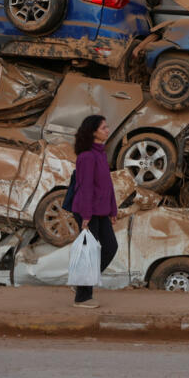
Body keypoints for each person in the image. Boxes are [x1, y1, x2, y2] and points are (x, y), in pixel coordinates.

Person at [70, 115, 119, 308]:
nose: (107, 130)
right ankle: (82, 297)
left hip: (101, 211)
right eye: (104, 128)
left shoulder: (101, 154)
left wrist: (112, 209)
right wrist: (86, 216)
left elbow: (107, 186)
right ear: (93, 132)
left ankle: (82, 283)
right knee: (88, 253)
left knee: (110, 247)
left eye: (107, 127)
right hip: (87, 211)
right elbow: (85, 188)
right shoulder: (87, 156)